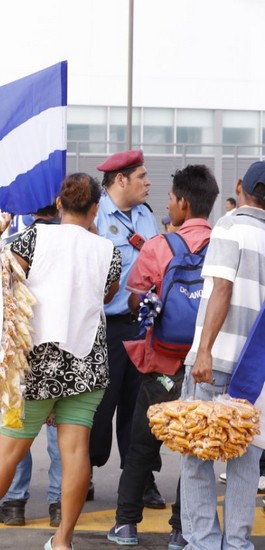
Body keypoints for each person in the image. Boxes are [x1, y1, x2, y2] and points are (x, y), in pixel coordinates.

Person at [0, 173, 121, 550]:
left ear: (58, 204)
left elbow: (1, 281)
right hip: (87, 360)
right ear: (95, 209)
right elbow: (105, 294)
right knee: (75, 451)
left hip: (37, 362)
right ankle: (63, 540)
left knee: (7, 452)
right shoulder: (109, 251)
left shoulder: (33, 237)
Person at [107, 165, 219, 549]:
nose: (167, 205)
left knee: (141, 444)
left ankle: (125, 526)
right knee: (194, 451)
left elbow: (137, 297)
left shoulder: (159, 246)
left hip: (161, 365)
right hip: (204, 365)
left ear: (184, 203)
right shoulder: (222, 244)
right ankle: (180, 530)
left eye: (170, 199)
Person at [179, 160, 265, 550]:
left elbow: (221, 290)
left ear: (240, 187)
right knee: (245, 459)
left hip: (216, 362)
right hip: (257, 371)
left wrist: (205, 352)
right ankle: (237, 544)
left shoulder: (230, 225)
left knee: (198, 454)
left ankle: (202, 542)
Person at [89, 150, 162, 508]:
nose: (149, 183)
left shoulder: (147, 218)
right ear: (121, 180)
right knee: (98, 406)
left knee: (141, 406)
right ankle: (82, 469)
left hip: (143, 326)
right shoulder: (95, 216)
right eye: (142, 177)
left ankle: (141, 478)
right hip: (105, 328)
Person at [0, 201, 63, 529]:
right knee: (60, 434)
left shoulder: (19, 242)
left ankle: (15, 501)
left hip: (22, 350)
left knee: (16, 430)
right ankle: (59, 504)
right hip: (62, 351)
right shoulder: (73, 244)